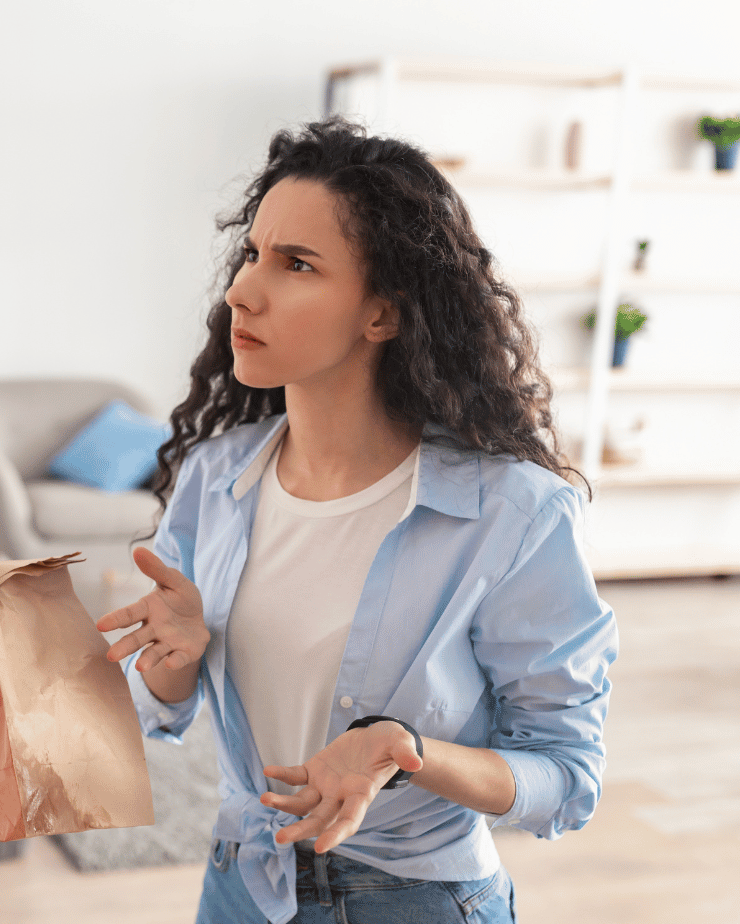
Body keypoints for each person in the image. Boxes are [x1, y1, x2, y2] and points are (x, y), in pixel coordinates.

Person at [99, 119, 618, 924]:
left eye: (297, 264)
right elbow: (154, 706)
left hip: (416, 901)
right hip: (242, 885)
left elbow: (567, 778)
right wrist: (172, 659)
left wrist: (407, 753)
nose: (242, 290)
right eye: (252, 254)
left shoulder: (511, 513)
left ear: (382, 315)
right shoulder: (214, 479)